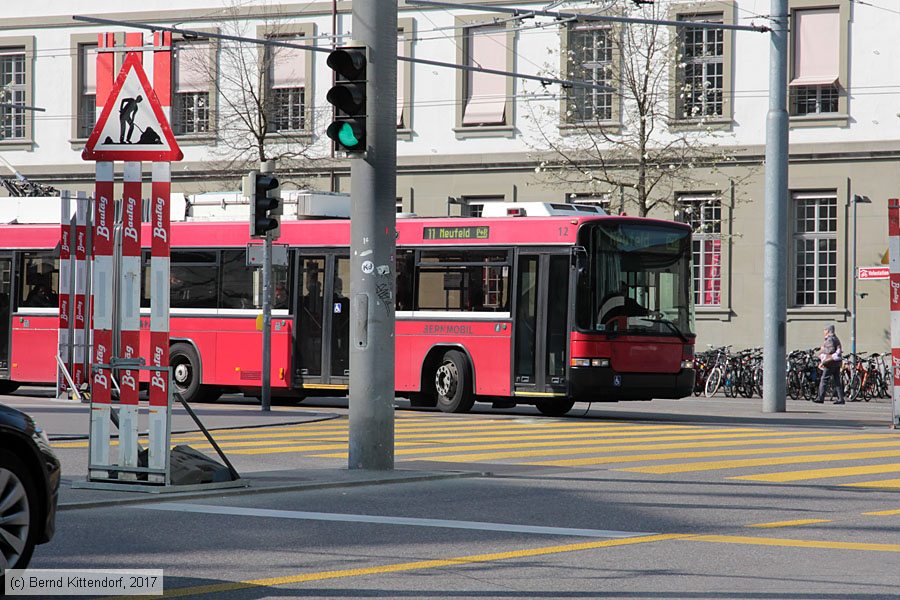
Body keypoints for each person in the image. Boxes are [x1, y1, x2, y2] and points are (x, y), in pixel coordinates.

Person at [815, 324, 845, 404]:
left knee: (824, 379)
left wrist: (823, 349)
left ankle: (820, 397)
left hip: (830, 362)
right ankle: (841, 398)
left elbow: (830, 350)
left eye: (825, 330)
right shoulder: (836, 338)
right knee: (837, 381)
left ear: (828, 331)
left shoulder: (830, 339)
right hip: (837, 362)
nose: (824, 332)